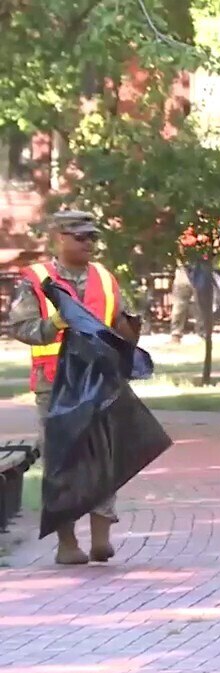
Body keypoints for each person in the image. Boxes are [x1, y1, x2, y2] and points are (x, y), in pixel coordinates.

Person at [6, 210, 132, 565]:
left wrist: (129, 332)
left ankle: (101, 540)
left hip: (100, 379)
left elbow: (120, 320)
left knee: (104, 459)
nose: (88, 243)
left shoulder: (105, 278)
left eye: (92, 237)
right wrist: (56, 323)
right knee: (62, 462)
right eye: (80, 237)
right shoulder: (36, 279)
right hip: (55, 384)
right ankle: (67, 544)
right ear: (59, 237)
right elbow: (21, 328)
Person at [169, 225, 211, 343]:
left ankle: (203, 333)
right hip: (185, 269)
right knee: (180, 304)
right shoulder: (183, 230)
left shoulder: (205, 230)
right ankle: (176, 335)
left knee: (200, 303)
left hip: (198, 268)